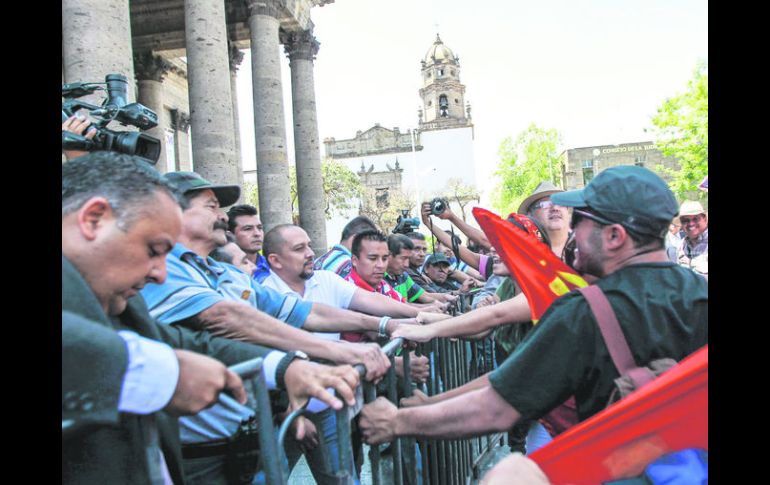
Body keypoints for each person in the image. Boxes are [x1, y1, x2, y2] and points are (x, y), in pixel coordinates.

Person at [62, 153, 361, 485]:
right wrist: (164, 373)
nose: (161, 274)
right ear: (93, 220)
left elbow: (184, 343)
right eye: (153, 249)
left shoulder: (125, 306)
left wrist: (285, 367)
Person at [360, 165, 708, 448]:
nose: (574, 232)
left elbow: (496, 408)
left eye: (582, 221)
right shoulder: (701, 294)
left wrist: (396, 421)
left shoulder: (582, 311)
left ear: (615, 236)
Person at [260, 224, 429, 482]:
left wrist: (424, 316)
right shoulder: (263, 294)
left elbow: (369, 306)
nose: (309, 253)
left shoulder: (325, 280)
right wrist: (286, 414)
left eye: (308, 245)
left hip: (326, 403)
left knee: (343, 478)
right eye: (299, 248)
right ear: (275, 260)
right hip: (282, 411)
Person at [518, 180, 571, 257]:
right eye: (546, 204)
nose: (555, 208)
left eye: (560, 203)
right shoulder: (522, 255)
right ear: (530, 215)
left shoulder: (587, 247)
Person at [226, 204, 270, 282]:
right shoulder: (222, 271)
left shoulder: (274, 267)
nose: (257, 234)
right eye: (248, 229)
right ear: (230, 235)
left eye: (259, 228)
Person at [675, 200, 708, 279]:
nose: (691, 224)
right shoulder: (680, 246)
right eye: (685, 221)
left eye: (695, 219)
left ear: (705, 219)